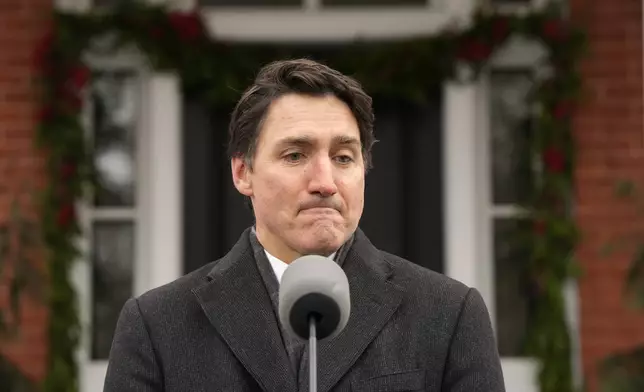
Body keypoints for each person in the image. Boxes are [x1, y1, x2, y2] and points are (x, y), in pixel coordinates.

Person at [103, 58, 505, 392]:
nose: (325, 183)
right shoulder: (156, 326)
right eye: (295, 155)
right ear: (243, 172)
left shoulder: (449, 316)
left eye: (344, 158)